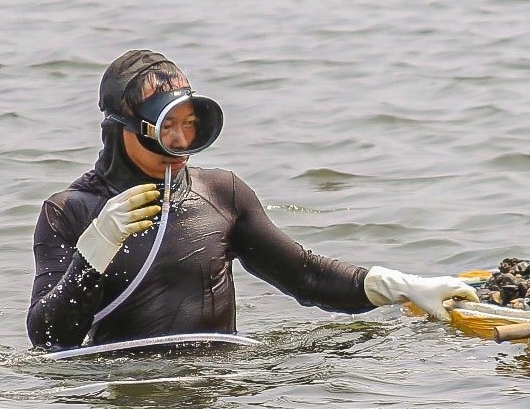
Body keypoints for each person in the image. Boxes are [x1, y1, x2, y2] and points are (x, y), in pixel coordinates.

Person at [28, 50, 476, 351]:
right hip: (128, 393)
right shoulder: (69, 212)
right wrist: (95, 250)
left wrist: (401, 287)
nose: (182, 144)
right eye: (168, 130)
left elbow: (306, 276)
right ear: (121, 129)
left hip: (221, 391)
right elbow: (50, 339)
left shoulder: (221, 193)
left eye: (192, 126)